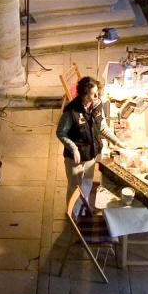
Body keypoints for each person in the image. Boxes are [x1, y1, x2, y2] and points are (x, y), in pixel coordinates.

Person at [56, 76, 126, 209]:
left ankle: (84, 207)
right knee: (74, 187)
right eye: (93, 94)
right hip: (76, 158)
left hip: (91, 153)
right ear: (84, 95)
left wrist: (117, 141)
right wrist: (73, 148)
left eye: (97, 93)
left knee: (87, 183)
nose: (97, 96)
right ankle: (73, 215)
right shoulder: (71, 112)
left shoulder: (98, 104)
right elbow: (60, 132)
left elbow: (102, 126)